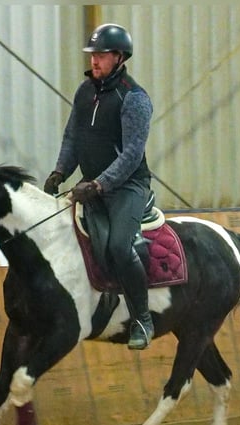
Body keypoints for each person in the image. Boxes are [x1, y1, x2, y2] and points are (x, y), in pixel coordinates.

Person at [43, 23, 154, 350]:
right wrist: (60, 171)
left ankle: (142, 319)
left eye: (102, 55)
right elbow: (72, 137)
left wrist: (99, 185)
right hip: (91, 186)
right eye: (93, 55)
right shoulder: (84, 91)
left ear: (119, 57)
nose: (95, 60)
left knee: (120, 246)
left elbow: (133, 154)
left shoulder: (134, 98)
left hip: (128, 188)